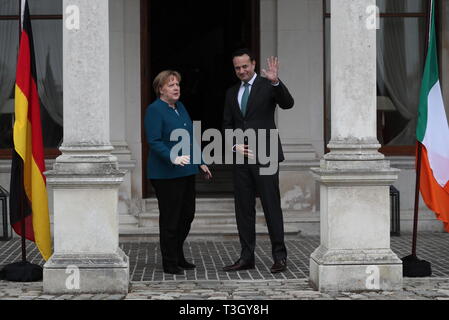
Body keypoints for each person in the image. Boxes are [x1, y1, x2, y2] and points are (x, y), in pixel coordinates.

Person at [222, 49, 294, 273]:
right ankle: (246, 257)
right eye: (237, 68)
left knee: (271, 206)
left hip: (266, 154)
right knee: (243, 208)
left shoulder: (267, 85)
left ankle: (279, 257)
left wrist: (276, 83)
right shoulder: (232, 92)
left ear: (253, 64)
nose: (241, 71)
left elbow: (288, 103)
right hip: (241, 158)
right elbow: (227, 124)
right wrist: (233, 144)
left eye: (245, 66)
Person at [144, 70, 212, 275]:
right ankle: (169, 261)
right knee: (170, 218)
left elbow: (190, 136)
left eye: (177, 84)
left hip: (186, 170)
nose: (176, 88)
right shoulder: (154, 110)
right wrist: (172, 156)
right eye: (171, 84)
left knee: (187, 215)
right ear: (160, 89)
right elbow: (154, 141)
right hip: (165, 174)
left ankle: (178, 254)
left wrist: (200, 161)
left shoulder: (180, 107)